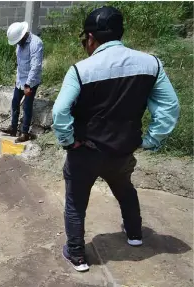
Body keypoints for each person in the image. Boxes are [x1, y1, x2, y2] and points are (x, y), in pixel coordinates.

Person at [51, 6, 180, 272]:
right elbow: (169, 107)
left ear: (90, 37)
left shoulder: (80, 70)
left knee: (76, 202)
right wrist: (151, 140)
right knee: (125, 191)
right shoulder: (151, 64)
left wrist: (67, 140)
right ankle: (134, 234)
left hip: (85, 150)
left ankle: (77, 255)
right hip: (122, 150)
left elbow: (60, 111)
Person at [1, 21, 44, 143]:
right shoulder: (19, 44)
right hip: (20, 80)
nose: (17, 43)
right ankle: (13, 128)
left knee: (26, 106)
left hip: (31, 81)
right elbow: (20, 64)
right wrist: (18, 81)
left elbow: (35, 66)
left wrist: (28, 85)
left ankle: (25, 133)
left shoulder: (36, 44)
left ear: (23, 35)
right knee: (15, 102)